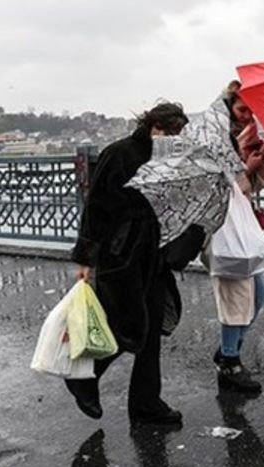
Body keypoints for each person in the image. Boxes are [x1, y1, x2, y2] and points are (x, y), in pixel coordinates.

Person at [66, 102, 189, 427]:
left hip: (153, 256)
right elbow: (95, 208)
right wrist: (85, 258)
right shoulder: (119, 154)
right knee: (131, 327)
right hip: (120, 258)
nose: (173, 140)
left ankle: (146, 406)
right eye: (170, 132)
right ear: (154, 127)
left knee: (149, 337)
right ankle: (84, 378)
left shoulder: (168, 162)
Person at [192, 81, 264, 394]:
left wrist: (260, 161)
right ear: (228, 107)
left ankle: (228, 351)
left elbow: (248, 189)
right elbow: (215, 191)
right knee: (236, 299)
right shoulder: (212, 141)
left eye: (251, 110)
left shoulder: (241, 137)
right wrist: (247, 167)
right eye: (242, 108)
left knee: (261, 291)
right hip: (223, 231)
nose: (246, 115)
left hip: (242, 229)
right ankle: (230, 361)